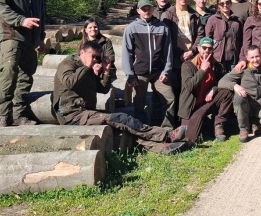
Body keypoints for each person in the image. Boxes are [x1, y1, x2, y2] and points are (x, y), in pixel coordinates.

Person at [53, 41, 187, 154]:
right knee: (122, 119)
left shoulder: (87, 68)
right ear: (82, 52)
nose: (95, 60)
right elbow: (70, 82)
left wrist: (106, 71)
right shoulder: (68, 64)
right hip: (72, 115)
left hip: (86, 112)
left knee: (124, 126)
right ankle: (166, 135)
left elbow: (102, 89)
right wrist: (87, 66)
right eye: (93, 56)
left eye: (97, 58)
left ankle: (161, 147)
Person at [0, 0, 46, 127]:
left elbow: (41, 14)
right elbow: (0, 9)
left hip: (31, 38)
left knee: (26, 76)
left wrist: (40, 38)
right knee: (9, 73)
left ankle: (19, 114)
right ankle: (4, 115)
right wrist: (21, 20)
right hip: (11, 35)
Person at [122, 0, 176, 127]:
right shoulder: (131, 28)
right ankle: (142, 130)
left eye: (149, 8)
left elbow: (168, 51)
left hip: (159, 73)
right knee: (139, 103)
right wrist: (130, 75)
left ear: (153, 9)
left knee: (170, 99)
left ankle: (167, 129)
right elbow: (126, 53)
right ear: (138, 11)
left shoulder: (162, 27)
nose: (147, 11)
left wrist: (166, 71)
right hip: (140, 73)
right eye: (143, 9)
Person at [178, 37, 234, 143]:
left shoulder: (216, 65)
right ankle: (204, 123)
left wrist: (214, 89)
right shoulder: (187, 65)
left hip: (206, 103)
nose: (207, 51)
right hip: (191, 107)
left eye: (210, 48)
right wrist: (202, 70)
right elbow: (188, 87)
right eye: (204, 48)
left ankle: (218, 124)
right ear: (198, 48)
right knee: (190, 139)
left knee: (227, 93)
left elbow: (221, 82)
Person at [219, 45, 261, 142]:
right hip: (247, 103)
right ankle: (244, 129)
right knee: (238, 98)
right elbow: (222, 82)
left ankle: (256, 121)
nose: (255, 60)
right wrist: (235, 86)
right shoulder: (242, 68)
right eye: (252, 57)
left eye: (257, 56)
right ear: (247, 58)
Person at [162, 0, 206, 107]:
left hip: (192, 57)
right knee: (175, 90)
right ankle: (175, 116)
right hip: (175, 58)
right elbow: (166, 38)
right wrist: (179, 53)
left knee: (190, 89)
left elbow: (200, 35)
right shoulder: (168, 15)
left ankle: (187, 115)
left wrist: (192, 51)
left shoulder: (195, 15)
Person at [205, 0, 243, 72]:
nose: (225, 5)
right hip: (217, 60)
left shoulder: (238, 21)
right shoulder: (212, 19)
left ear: (231, 4)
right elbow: (208, 39)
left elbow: (242, 41)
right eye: (222, 3)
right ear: (218, 5)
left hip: (233, 60)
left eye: (227, 3)